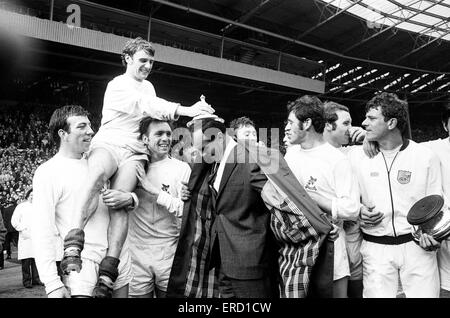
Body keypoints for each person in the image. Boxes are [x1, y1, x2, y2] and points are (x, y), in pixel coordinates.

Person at [61, 37, 214, 297]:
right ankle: (73, 244)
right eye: (143, 60)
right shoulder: (117, 85)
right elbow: (145, 106)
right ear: (128, 59)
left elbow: (154, 118)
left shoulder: (150, 87)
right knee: (97, 176)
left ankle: (109, 272)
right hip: (110, 142)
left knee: (120, 204)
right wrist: (187, 109)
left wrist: (198, 117)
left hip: (134, 149)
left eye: (151, 61)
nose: (148, 66)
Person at [168, 115, 334, 298]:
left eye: (203, 148)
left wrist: (317, 222)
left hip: (250, 266)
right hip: (222, 262)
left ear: (220, 138)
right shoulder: (214, 164)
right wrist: (189, 192)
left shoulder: (251, 159)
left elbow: (283, 199)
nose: (201, 155)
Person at [31, 105, 133, 298]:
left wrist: (130, 199)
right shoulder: (48, 172)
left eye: (90, 125)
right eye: (82, 126)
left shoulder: (102, 160)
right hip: (83, 263)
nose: (90, 131)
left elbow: (129, 193)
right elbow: (41, 229)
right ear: (63, 133)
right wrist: (52, 283)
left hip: (117, 257)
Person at [353, 93, 442, 298]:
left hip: (417, 245)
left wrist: (434, 234)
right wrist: (359, 211)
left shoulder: (425, 156)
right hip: (376, 246)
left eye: (372, 118)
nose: (364, 123)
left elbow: (437, 201)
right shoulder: (356, 157)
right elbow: (325, 142)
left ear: (391, 122)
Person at [284, 96, 360, 298]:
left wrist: (312, 198)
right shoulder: (291, 154)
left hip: (331, 247)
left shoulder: (337, 160)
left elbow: (352, 208)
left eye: (290, 122)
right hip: (296, 248)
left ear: (307, 123)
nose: (286, 127)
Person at [123, 117, 191, 298]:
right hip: (136, 251)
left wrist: (152, 190)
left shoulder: (182, 168)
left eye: (168, 134)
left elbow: (186, 212)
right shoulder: (131, 168)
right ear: (145, 139)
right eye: (159, 134)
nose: (166, 138)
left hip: (169, 250)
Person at [323, 101, 365, 298]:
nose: (352, 129)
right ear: (328, 125)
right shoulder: (313, 156)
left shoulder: (355, 151)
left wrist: (369, 138)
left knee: (356, 283)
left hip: (355, 231)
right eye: (346, 123)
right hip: (330, 234)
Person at [11, 188, 43, 288]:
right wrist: (22, 228)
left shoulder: (39, 207)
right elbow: (14, 221)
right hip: (25, 236)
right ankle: (27, 281)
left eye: (34, 195)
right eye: (31, 195)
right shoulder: (21, 206)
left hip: (36, 236)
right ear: (27, 195)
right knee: (26, 261)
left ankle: (36, 279)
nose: (32, 197)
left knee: (36, 260)